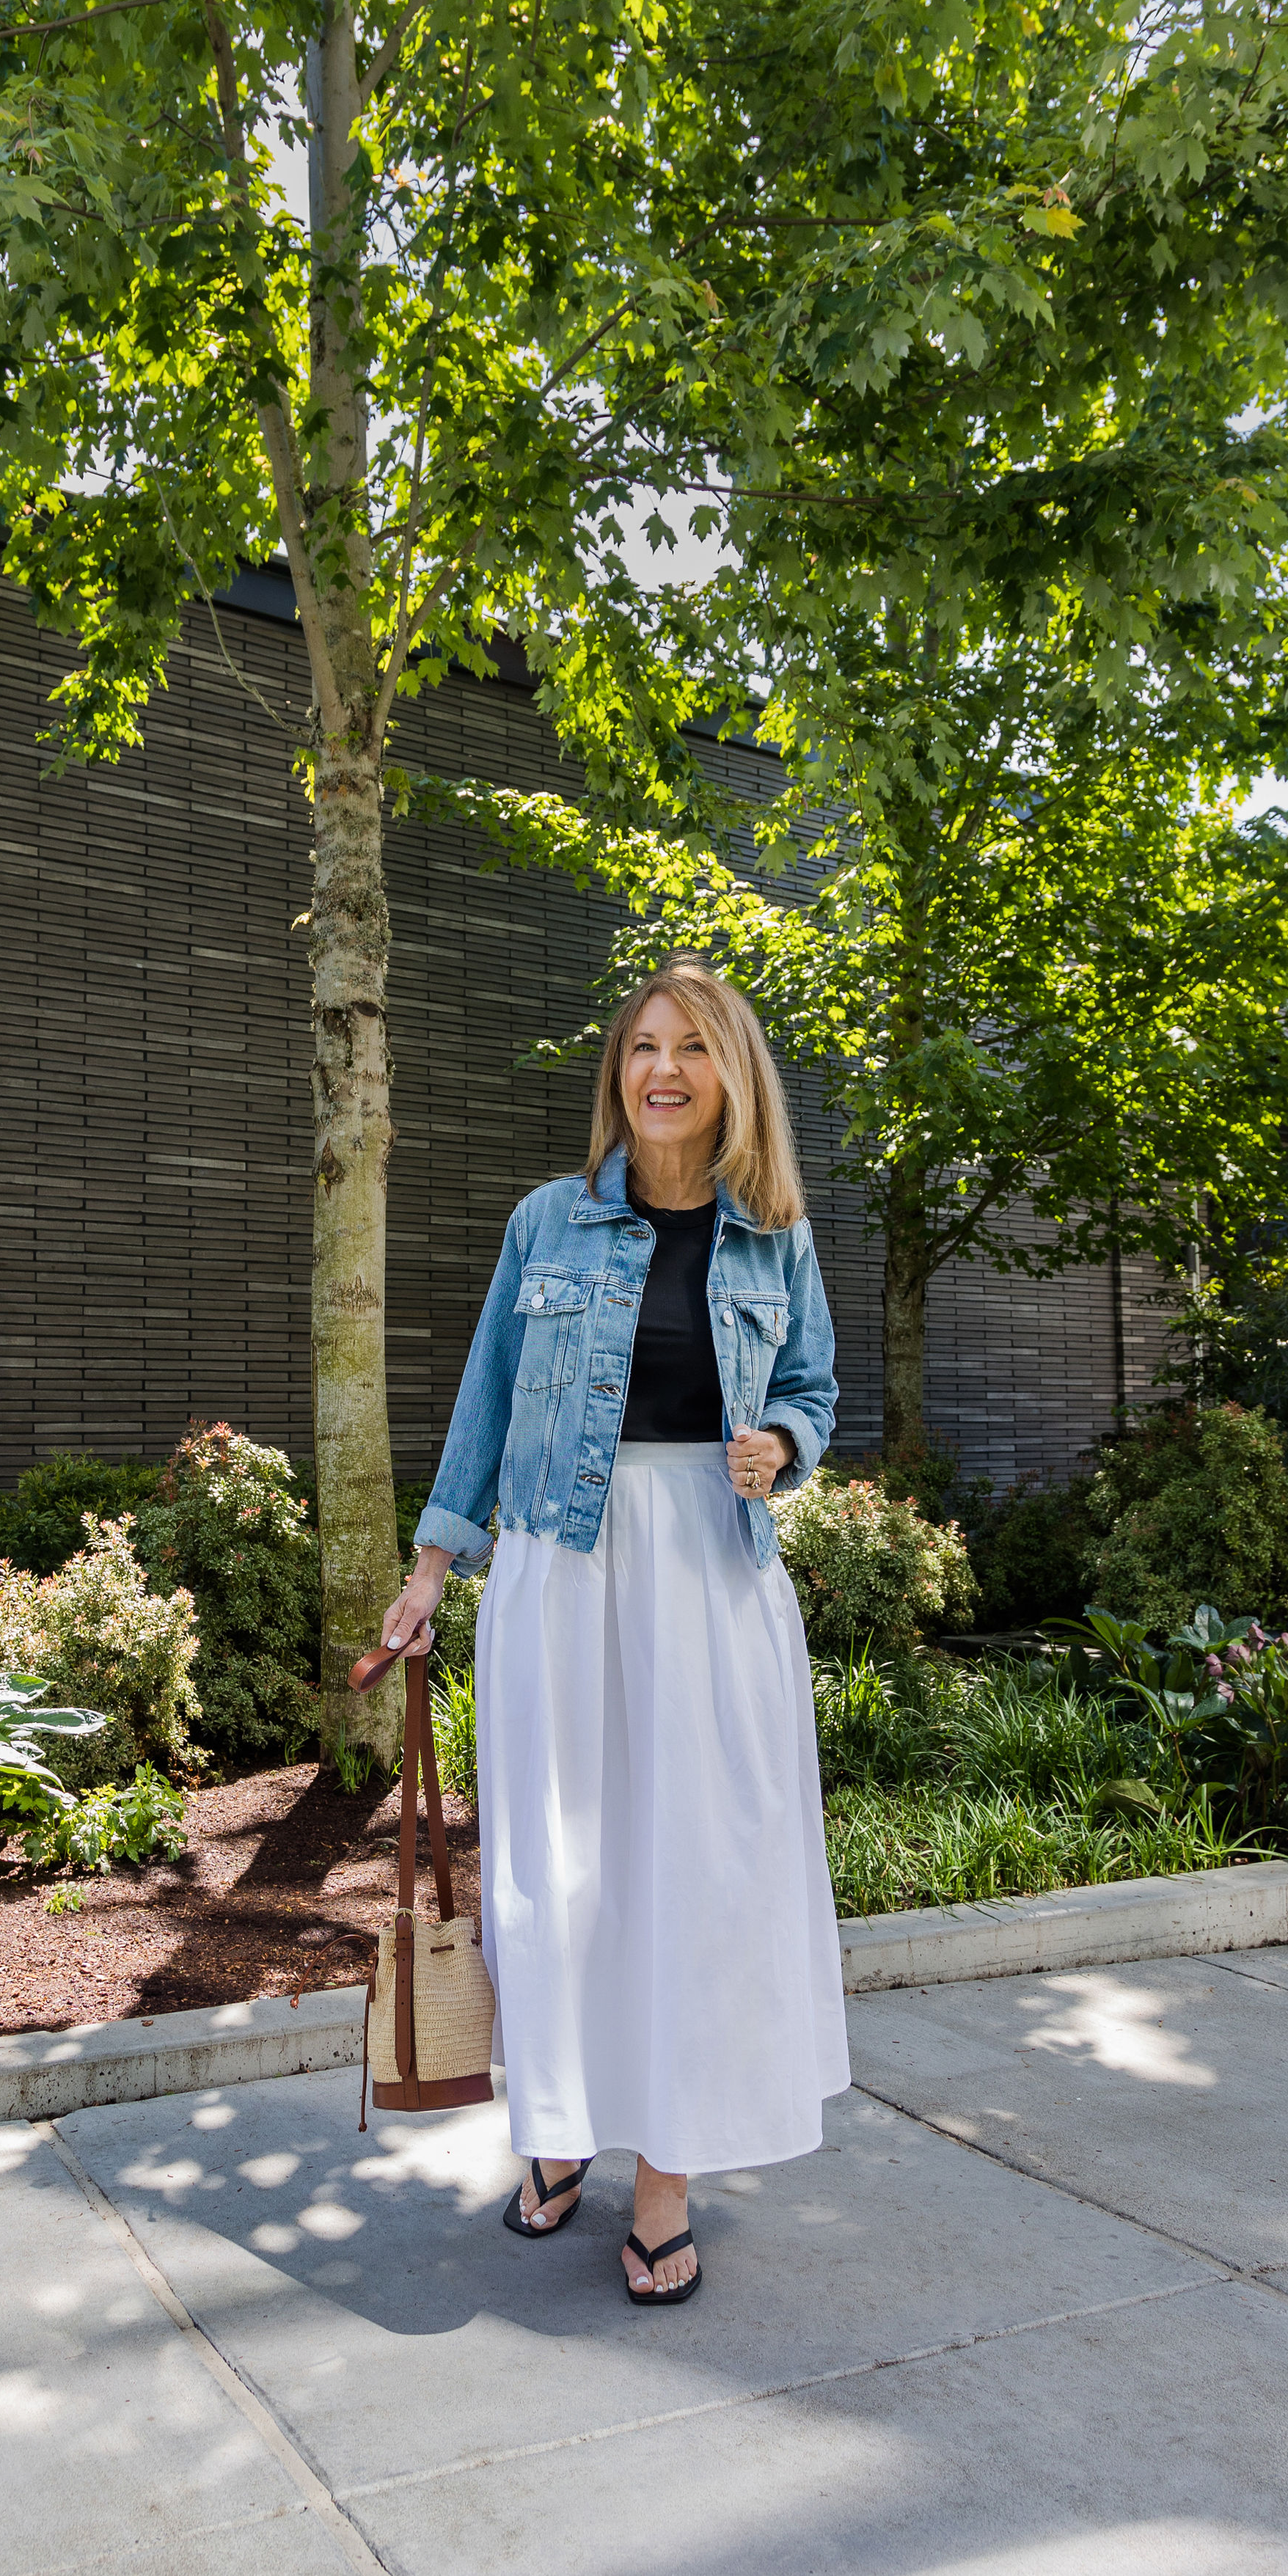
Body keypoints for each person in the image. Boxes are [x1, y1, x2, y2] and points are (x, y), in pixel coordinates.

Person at [380, 960, 849, 2305]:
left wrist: (784, 1442)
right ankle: (560, 2128)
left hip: (708, 1572)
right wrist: (431, 1570)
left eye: (691, 1047)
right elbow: (487, 1395)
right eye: (643, 1046)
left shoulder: (777, 1234)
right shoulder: (548, 1222)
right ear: (618, 1073)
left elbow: (813, 1385)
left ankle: (667, 2177)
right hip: (556, 1571)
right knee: (560, 1871)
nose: (662, 1069)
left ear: (731, 1074)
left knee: (700, 1874)